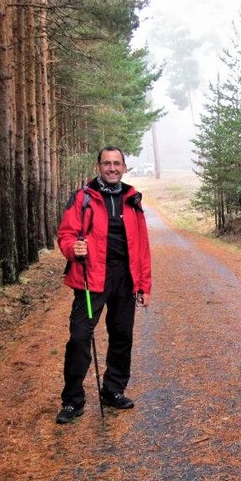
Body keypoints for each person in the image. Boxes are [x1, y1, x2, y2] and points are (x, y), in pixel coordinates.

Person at [55, 146, 151, 424]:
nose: (112, 168)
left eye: (116, 163)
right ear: (98, 166)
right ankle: (73, 400)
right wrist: (74, 248)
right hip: (90, 278)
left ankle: (113, 389)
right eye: (107, 163)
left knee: (122, 336)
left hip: (125, 278)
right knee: (80, 337)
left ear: (124, 167)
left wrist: (144, 285)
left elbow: (142, 246)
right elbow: (65, 234)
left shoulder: (133, 200)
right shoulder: (83, 198)